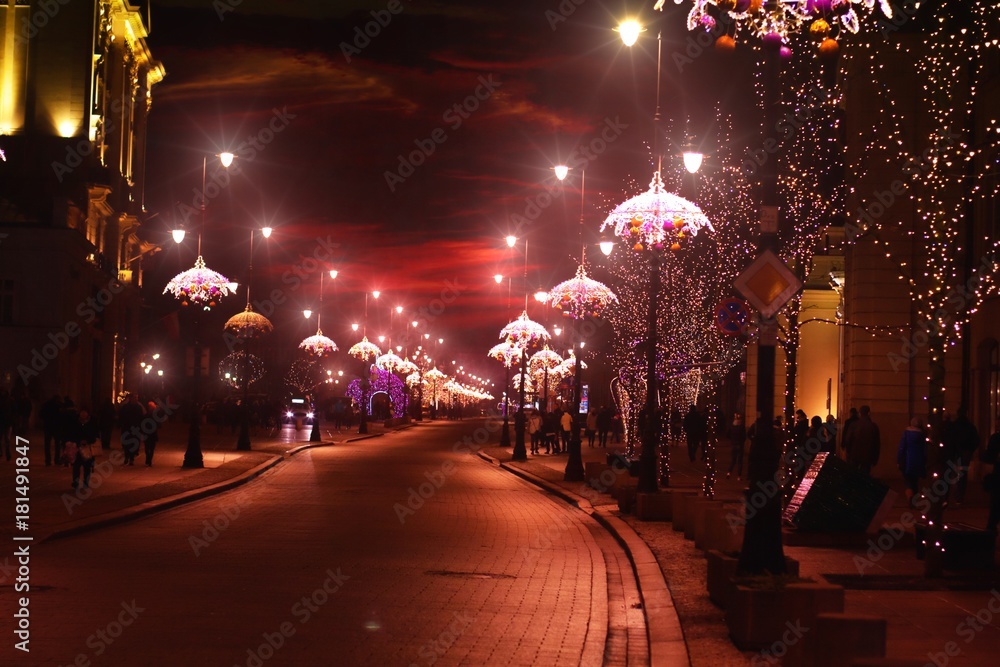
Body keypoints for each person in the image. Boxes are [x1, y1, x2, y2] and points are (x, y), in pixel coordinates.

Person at [946, 406, 980, 505]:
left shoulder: (954, 425)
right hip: (965, 453)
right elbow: (976, 440)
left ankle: (948, 497)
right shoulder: (970, 426)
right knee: (962, 475)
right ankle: (959, 497)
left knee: (950, 474)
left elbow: (949, 439)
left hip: (955, 453)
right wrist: (970, 450)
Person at [897, 416, 928, 506]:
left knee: (908, 481)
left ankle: (909, 496)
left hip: (907, 460)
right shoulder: (922, 435)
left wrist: (899, 460)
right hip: (918, 461)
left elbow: (901, 448)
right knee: (915, 481)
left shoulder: (906, 433)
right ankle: (914, 499)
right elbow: (925, 450)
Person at [844, 405, 880, 475]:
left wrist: (848, 452)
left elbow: (848, 440)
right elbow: (877, 444)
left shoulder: (854, 425)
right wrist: (875, 458)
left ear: (860, 413)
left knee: (853, 475)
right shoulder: (873, 426)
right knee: (865, 475)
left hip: (854, 455)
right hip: (867, 455)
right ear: (869, 413)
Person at [69, 408, 99, 489]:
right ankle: (75, 481)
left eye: (85, 412)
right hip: (77, 447)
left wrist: (88, 440)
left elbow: (95, 435)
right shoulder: (75, 422)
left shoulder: (91, 423)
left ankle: (86, 482)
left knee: (87, 466)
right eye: (81, 412)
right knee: (76, 466)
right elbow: (71, 433)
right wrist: (78, 441)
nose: (83, 414)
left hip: (88, 448)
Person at [981, 423, 1000, 534]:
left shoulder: (995, 438)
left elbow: (989, 456)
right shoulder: (995, 438)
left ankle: (991, 529)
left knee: (996, 504)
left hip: (997, 474)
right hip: (997, 474)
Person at [118, 394, 145, 466]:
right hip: (126, 428)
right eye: (134, 398)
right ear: (130, 398)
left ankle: (132, 458)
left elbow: (141, 418)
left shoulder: (138, 407)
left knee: (134, 443)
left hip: (135, 428)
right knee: (126, 444)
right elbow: (121, 417)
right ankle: (127, 456)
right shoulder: (125, 407)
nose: (136, 399)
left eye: (137, 398)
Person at [40, 394, 62, 466]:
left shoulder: (46, 405)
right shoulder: (59, 405)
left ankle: (48, 460)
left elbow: (41, 414)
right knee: (57, 444)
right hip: (57, 427)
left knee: (47, 444)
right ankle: (57, 459)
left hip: (48, 426)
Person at [727, 414, 747, 480]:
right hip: (740, 445)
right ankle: (739, 476)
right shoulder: (742, 427)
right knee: (740, 461)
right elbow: (744, 436)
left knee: (733, 460)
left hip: (733, 445)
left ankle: (729, 473)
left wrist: (732, 440)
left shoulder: (731, 427)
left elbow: (728, 435)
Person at [144, 400, 160, 466]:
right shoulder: (153, 416)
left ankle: (148, 458)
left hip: (148, 434)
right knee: (150, 447)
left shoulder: (146, 415)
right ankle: (149, 459)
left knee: (148, 447)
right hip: (151, 434)